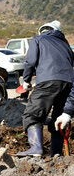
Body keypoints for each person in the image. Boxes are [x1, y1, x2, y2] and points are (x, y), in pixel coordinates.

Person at [16, 20, 74, 157]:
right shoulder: (66, 46)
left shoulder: (39, 39)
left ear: (43, 30)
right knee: (59, 118)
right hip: (68, 83)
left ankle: (36, 148)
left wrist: (26, 81)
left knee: (32, 114)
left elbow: (30, 61)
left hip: (47, 81)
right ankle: (57, 153)